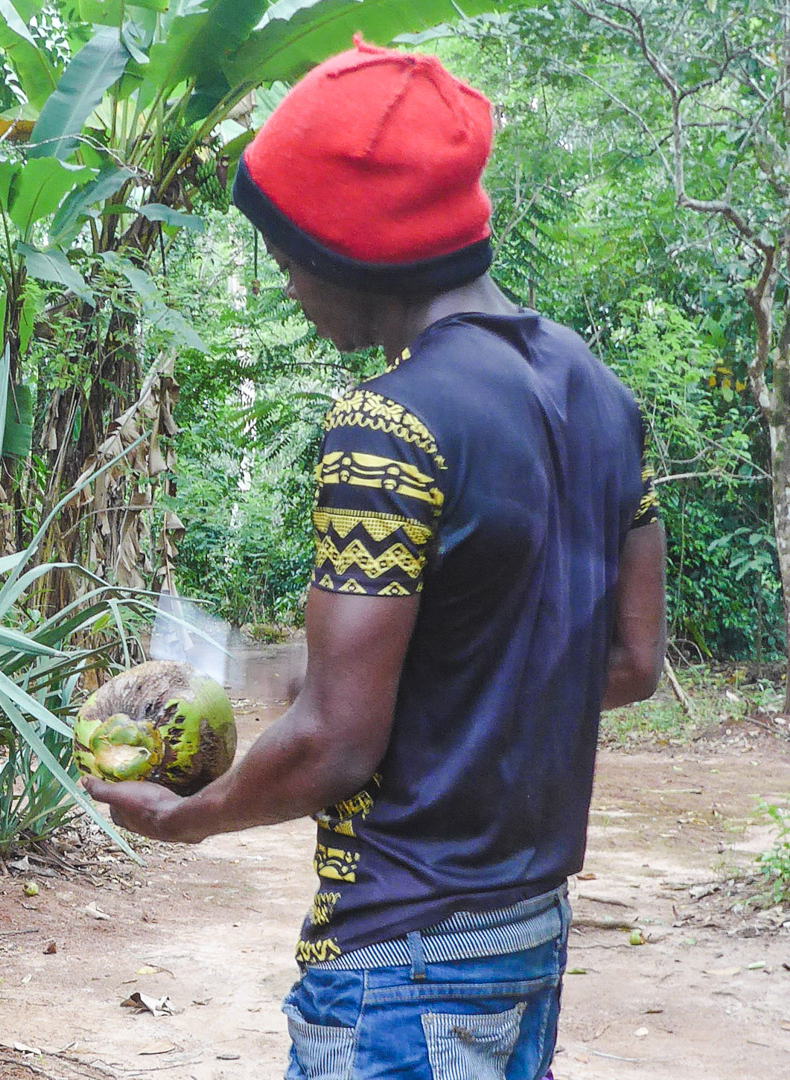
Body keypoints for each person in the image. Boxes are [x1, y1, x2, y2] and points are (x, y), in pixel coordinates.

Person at [84, 36, 666, 1080]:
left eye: (290, 250)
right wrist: (288, 671)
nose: (285, 280)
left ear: (357, 249)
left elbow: (337, 746)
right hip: (525, 937)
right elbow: (623, 661)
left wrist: (188, 818)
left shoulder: (387, 423)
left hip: (402, 965)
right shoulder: (600, 395)